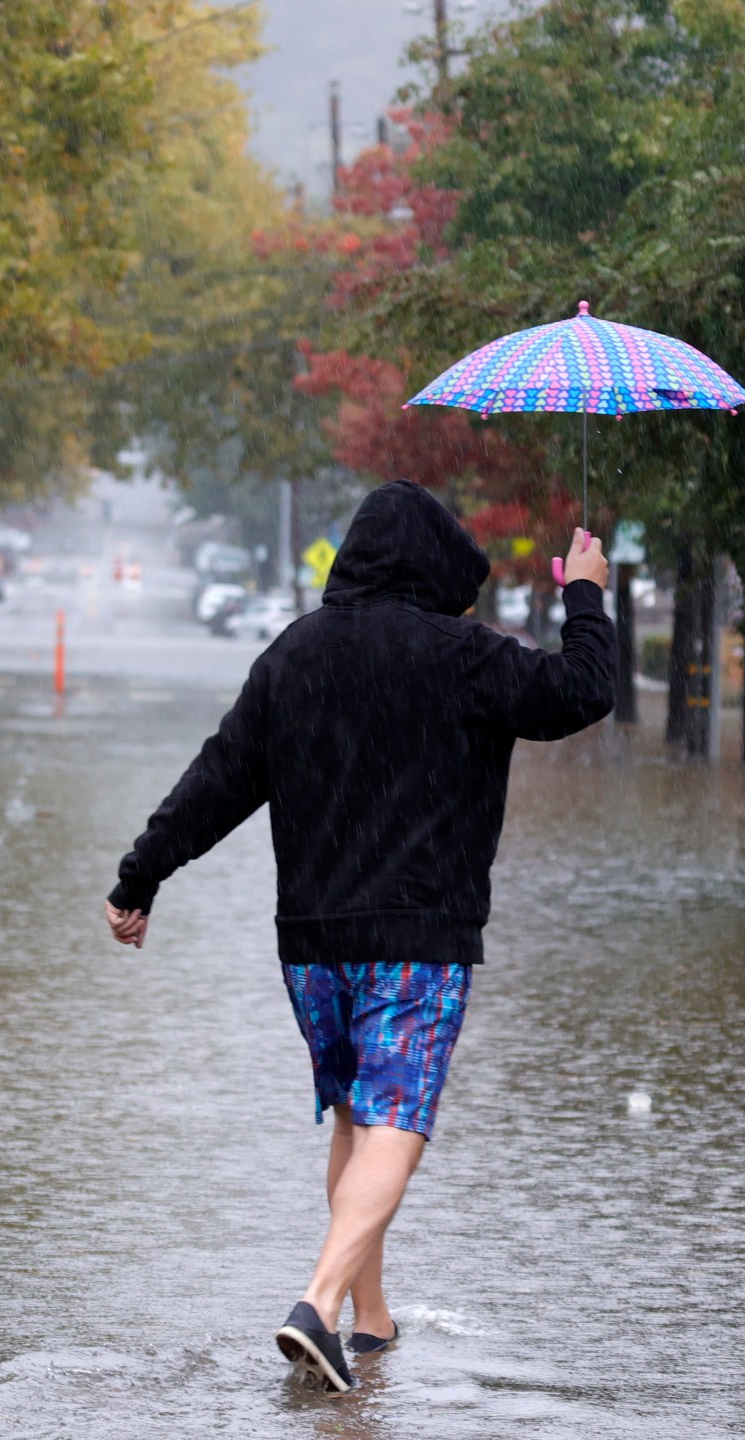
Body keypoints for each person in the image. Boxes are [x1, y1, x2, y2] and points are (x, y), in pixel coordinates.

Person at [102, 480, 614, 1392]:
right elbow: (581, 690)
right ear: (433, 564)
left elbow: (218, 780)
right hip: (417, 935)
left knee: (355, 1114)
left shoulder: (295, 655)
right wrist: (584, 592)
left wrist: (141, 876)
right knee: (399, 1119)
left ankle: (370, 1324)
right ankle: (320, 1304)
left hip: (311, 944)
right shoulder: (467, 656)